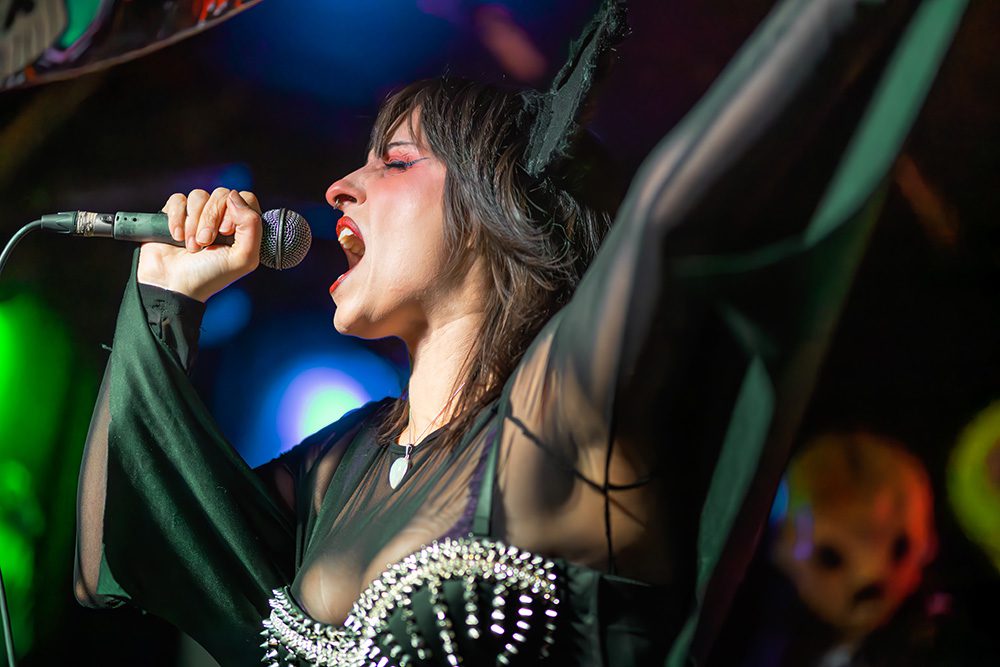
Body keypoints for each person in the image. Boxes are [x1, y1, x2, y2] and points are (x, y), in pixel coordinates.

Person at [71, 1, 966, 665]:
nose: (342, 186)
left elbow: (662, 222)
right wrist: (162, 298)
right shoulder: (340, 463)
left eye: (395, 159)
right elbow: (110, 551)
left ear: (489, 211)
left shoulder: (549, 430)